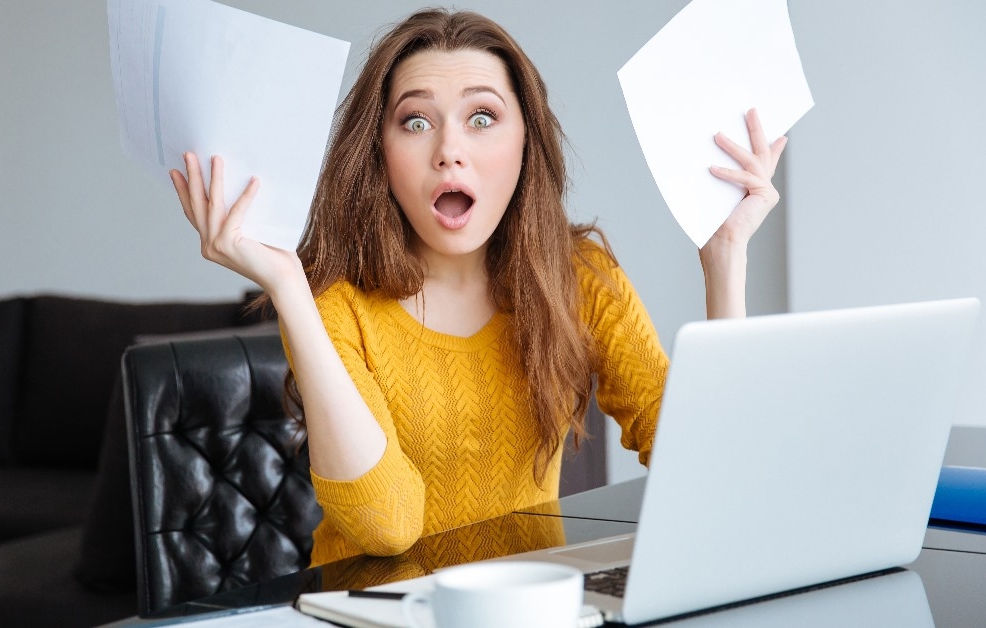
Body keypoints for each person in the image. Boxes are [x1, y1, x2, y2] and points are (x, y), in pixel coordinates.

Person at [170, 9, 787, 567]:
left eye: (483, 117)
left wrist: (724, 257)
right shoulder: (336, 303)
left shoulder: (581, 279)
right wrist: (288, 287)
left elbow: (715, 477)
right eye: (415, 121)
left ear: (526, 143)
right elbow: (387, 526)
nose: (449, 151)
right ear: (380, 153)